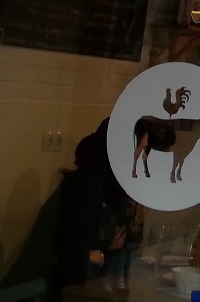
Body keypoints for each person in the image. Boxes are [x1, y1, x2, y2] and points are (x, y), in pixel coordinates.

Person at [54, 120, 135, 293]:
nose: (142, 157)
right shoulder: (87, 184)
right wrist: (100, 254)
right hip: (51, 289)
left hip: (86, 282)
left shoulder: (108, 188)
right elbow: (74, 259)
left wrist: (102, 254)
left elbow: (122, 238)